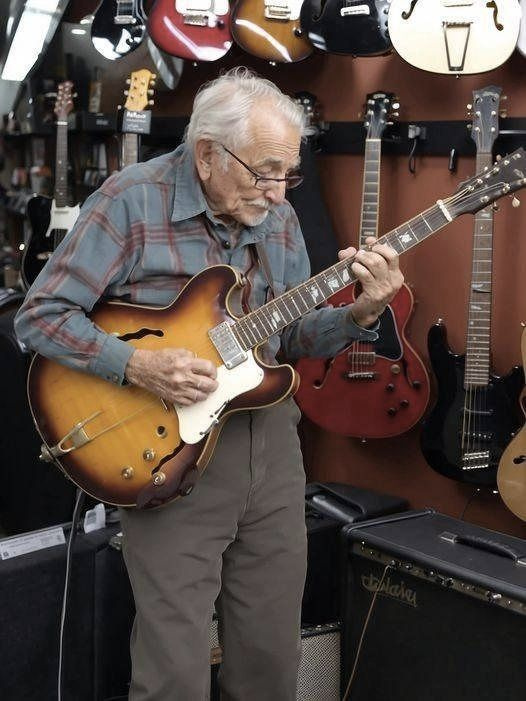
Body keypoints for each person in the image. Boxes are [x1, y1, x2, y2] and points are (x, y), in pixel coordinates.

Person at [15, 67, 403, 700]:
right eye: (265, 170)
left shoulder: (276, 217)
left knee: (272, 657)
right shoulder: (129, 200)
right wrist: (135, 364)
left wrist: (362, 312)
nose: (281, 193)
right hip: (166, 447)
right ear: (207, 155)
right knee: (174, 669)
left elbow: (293, 338)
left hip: (272, 448)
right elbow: (40, 317)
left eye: (289, 173)